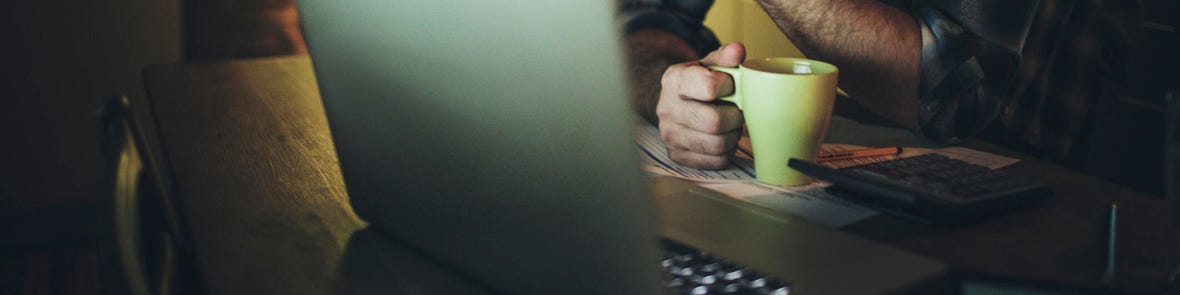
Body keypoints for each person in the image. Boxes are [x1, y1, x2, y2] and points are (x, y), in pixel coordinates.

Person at [618, 0, 1143, 170]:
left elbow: (967, 95)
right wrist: (669, 86)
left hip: (1031, 215)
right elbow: (643, 18)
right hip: (851, 191)